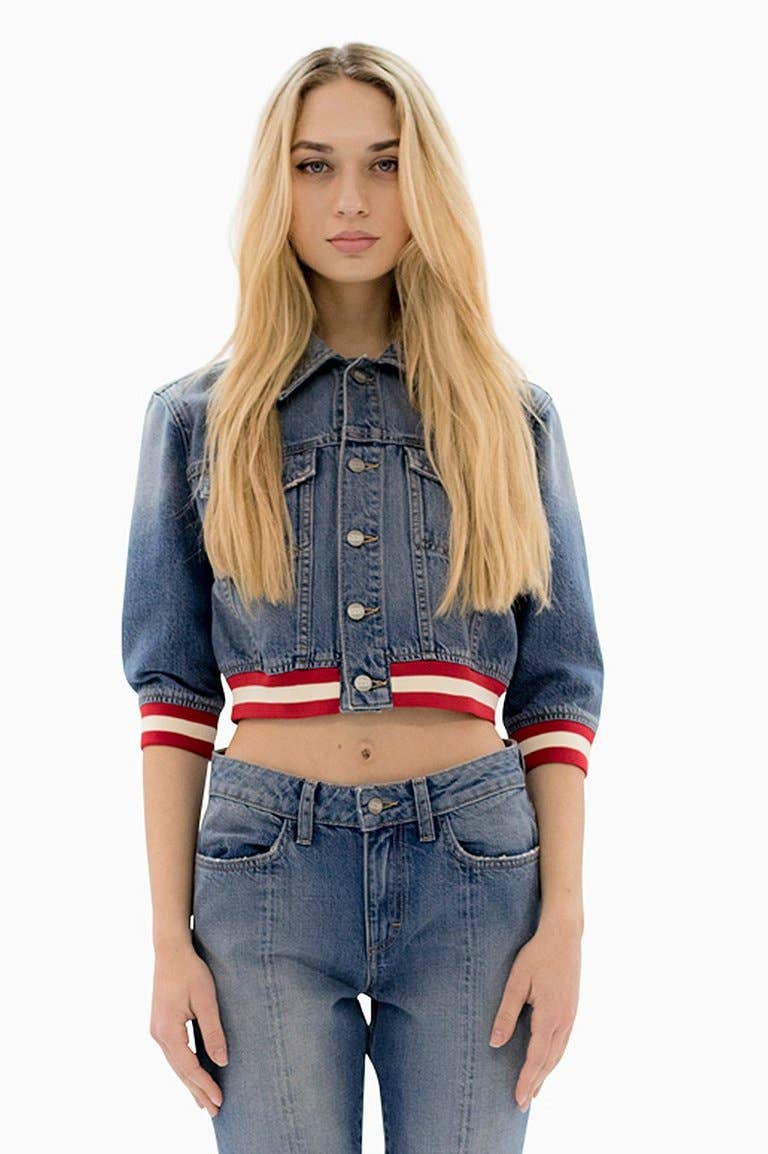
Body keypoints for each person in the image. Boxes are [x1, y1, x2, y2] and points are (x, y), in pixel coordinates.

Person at [121, 42, 604, 1154]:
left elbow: (559, 689)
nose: (351, 199)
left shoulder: (511, 416)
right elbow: (173, 694)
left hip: (476, 869)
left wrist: (566, 920)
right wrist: (166, 940)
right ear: (276, 185)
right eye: (316, 165)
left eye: (385, 164)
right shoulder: (197, 420)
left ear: (425, 183)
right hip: (264, 873)